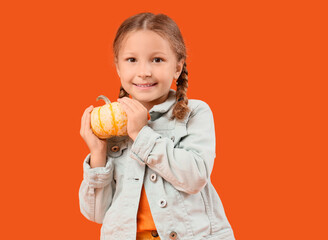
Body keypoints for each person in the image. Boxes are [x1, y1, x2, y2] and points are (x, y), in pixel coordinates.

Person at [79, 12, 235, 240]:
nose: (144, 72)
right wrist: (98, 154)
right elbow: (96, 214)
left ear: (177, 67)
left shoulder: (195, 113)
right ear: (118, 67)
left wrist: (141, 134)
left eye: (157, 59)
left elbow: (195, 177)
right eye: (132, 60)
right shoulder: (110, 125)